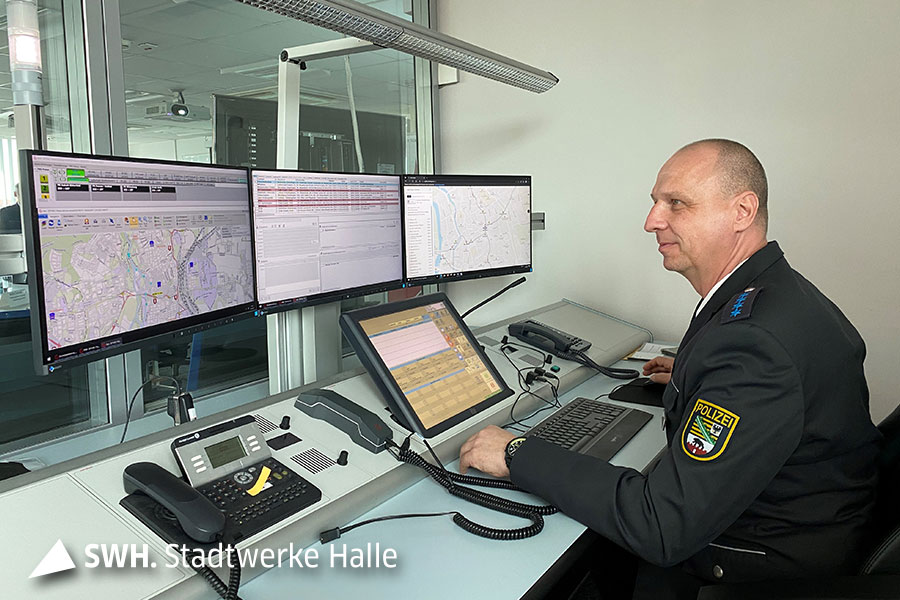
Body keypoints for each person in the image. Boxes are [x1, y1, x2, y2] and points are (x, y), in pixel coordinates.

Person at [458, 139, 881, 598]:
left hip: (759, 562)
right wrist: (692, 377)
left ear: (742, 211)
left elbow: (661, 525)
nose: (652, 221)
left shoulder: (753, 346)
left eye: (676, 203)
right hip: (809, 522)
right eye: (656, 203)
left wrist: (518, 452)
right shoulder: (774, 295)